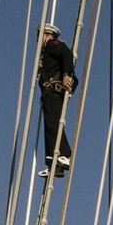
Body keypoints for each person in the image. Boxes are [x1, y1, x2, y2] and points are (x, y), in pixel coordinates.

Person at [36, 24, 78, 177]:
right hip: (48, 93)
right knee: (49, 125)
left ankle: (64, 154)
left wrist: (67, 74)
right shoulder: (45, 53)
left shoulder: (52, 45)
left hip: (53, 91)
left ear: (47, 35)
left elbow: (67, 54)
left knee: (53, 123)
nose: (37, 40)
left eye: (39, 36)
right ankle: (53, 162)